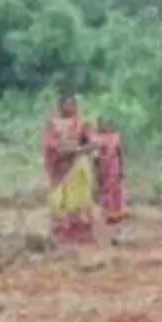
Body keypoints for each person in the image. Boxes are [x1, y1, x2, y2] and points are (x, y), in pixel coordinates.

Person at [42, 92, 97, 245]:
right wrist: (62, 149)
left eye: (72, 104)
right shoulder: (52, 124)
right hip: (59, 167)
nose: (69, 107)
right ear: (59, 105)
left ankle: (81, 234)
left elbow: (93, 143)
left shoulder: (83, 123)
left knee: (79, 199)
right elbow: (50, 145)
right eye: (65, 104)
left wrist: (77, 150)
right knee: (59, 200)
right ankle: (61, 235)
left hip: (78, 165)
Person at [93, 117, 127, 245]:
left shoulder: (115, 138)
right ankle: (106, 234)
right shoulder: (95, 139)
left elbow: (120, 154)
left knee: (117, 203)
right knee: (104, 204)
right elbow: (95, 160)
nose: (105, 126)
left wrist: (121, 171)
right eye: (102, 124)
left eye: (107, 123)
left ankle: (118, 233)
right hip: (103, 175)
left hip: (114, 174)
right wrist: (95, 176)